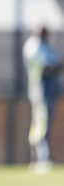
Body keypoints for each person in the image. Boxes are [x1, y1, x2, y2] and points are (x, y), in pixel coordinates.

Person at [23, 26, 61, 174]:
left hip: (47, 91)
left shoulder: (45, 46)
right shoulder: (33, 45)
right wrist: (55, 66)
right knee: (41, 124)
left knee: (42, 124)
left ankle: (39, 159)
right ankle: (40, 159)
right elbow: (48, 66)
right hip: (40, 91)